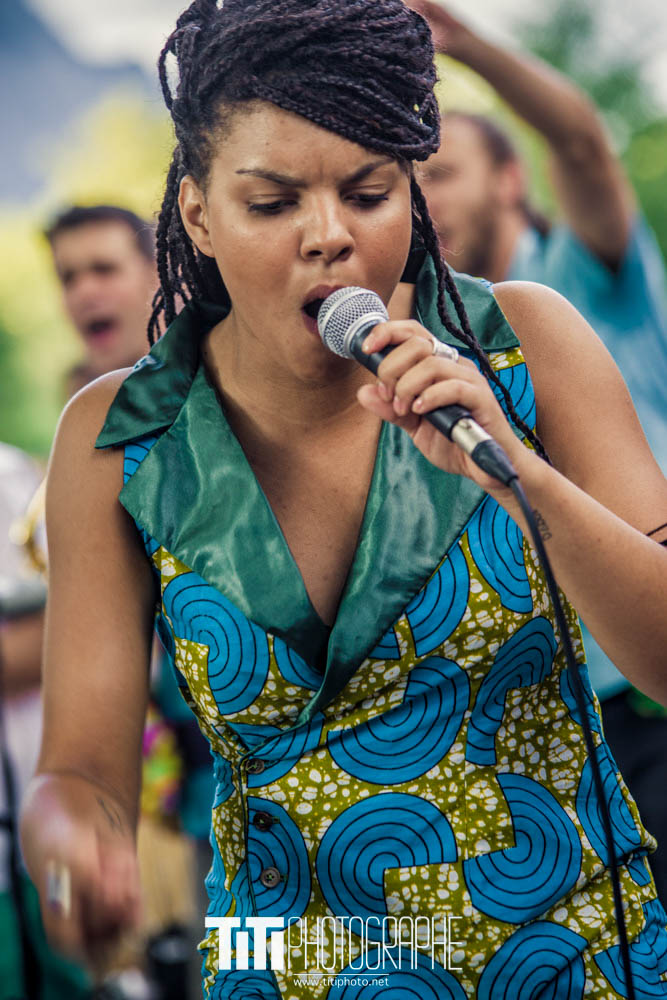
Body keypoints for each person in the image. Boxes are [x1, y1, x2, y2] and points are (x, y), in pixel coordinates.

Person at [20, 1, 667, 998]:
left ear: (412, 191)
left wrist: (518, 470)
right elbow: (80, 771)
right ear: (197, 214)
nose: (328, 236)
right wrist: (72, 843)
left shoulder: (522, 342)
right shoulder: (120, 436)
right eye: (272, 203)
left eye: (368, 193)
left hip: (566, 957)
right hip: (283, 969)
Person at [406, 0, 667, 902]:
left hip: (649, 691)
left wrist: (468, 46)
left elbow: (583, 143)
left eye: (444, 173)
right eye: (409, 182)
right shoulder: (430, 338)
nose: (425, 200)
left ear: (512, 179)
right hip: (555, 722)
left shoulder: (581, 273)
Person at [45, 205, 159, 397]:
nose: (84, 292)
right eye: (68, 278)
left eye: (104, 269)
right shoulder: (78, 401)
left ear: (155, 276)